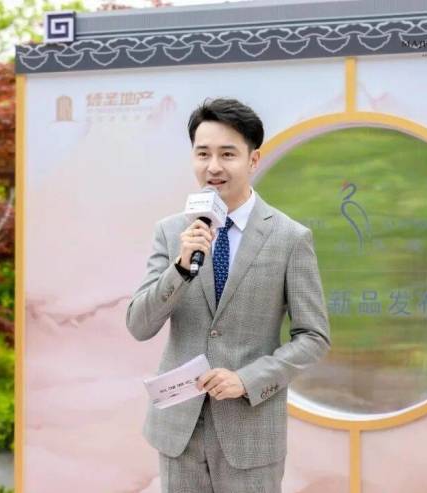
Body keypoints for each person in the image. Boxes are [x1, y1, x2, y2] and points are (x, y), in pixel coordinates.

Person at [126, 98, 330, 492]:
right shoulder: (172, 232)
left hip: (250, 432)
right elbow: (139, 325)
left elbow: (313, 337)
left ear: (253, 160)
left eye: (227, 154)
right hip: (179, 432)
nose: (213, 166)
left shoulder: (290, 238)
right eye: (203, 153)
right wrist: (180, 267)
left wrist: (247, 379)